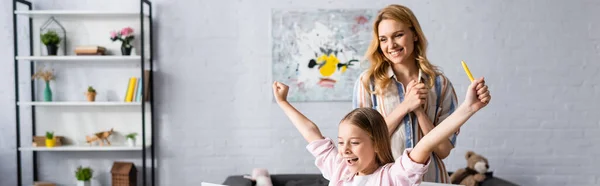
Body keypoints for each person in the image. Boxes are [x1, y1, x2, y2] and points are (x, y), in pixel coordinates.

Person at [272, 76, 490, 185]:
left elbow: (427, 143)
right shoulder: (340, 171)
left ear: (376, 143)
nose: (345, 150)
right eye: (341, 142)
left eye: (354, 142)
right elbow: (312, 133)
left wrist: (468, 108)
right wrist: (283, 103)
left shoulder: (391, 177)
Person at [352, 4, 461, 183]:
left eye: (398, 35)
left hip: (431, 180)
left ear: (415, 35)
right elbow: (362, 145)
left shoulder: (440, 84)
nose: (391, 45)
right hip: (385, 181)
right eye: (384, 39)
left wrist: (419, 112)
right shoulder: (367, 83)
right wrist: (405, 106)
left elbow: (443, 150)